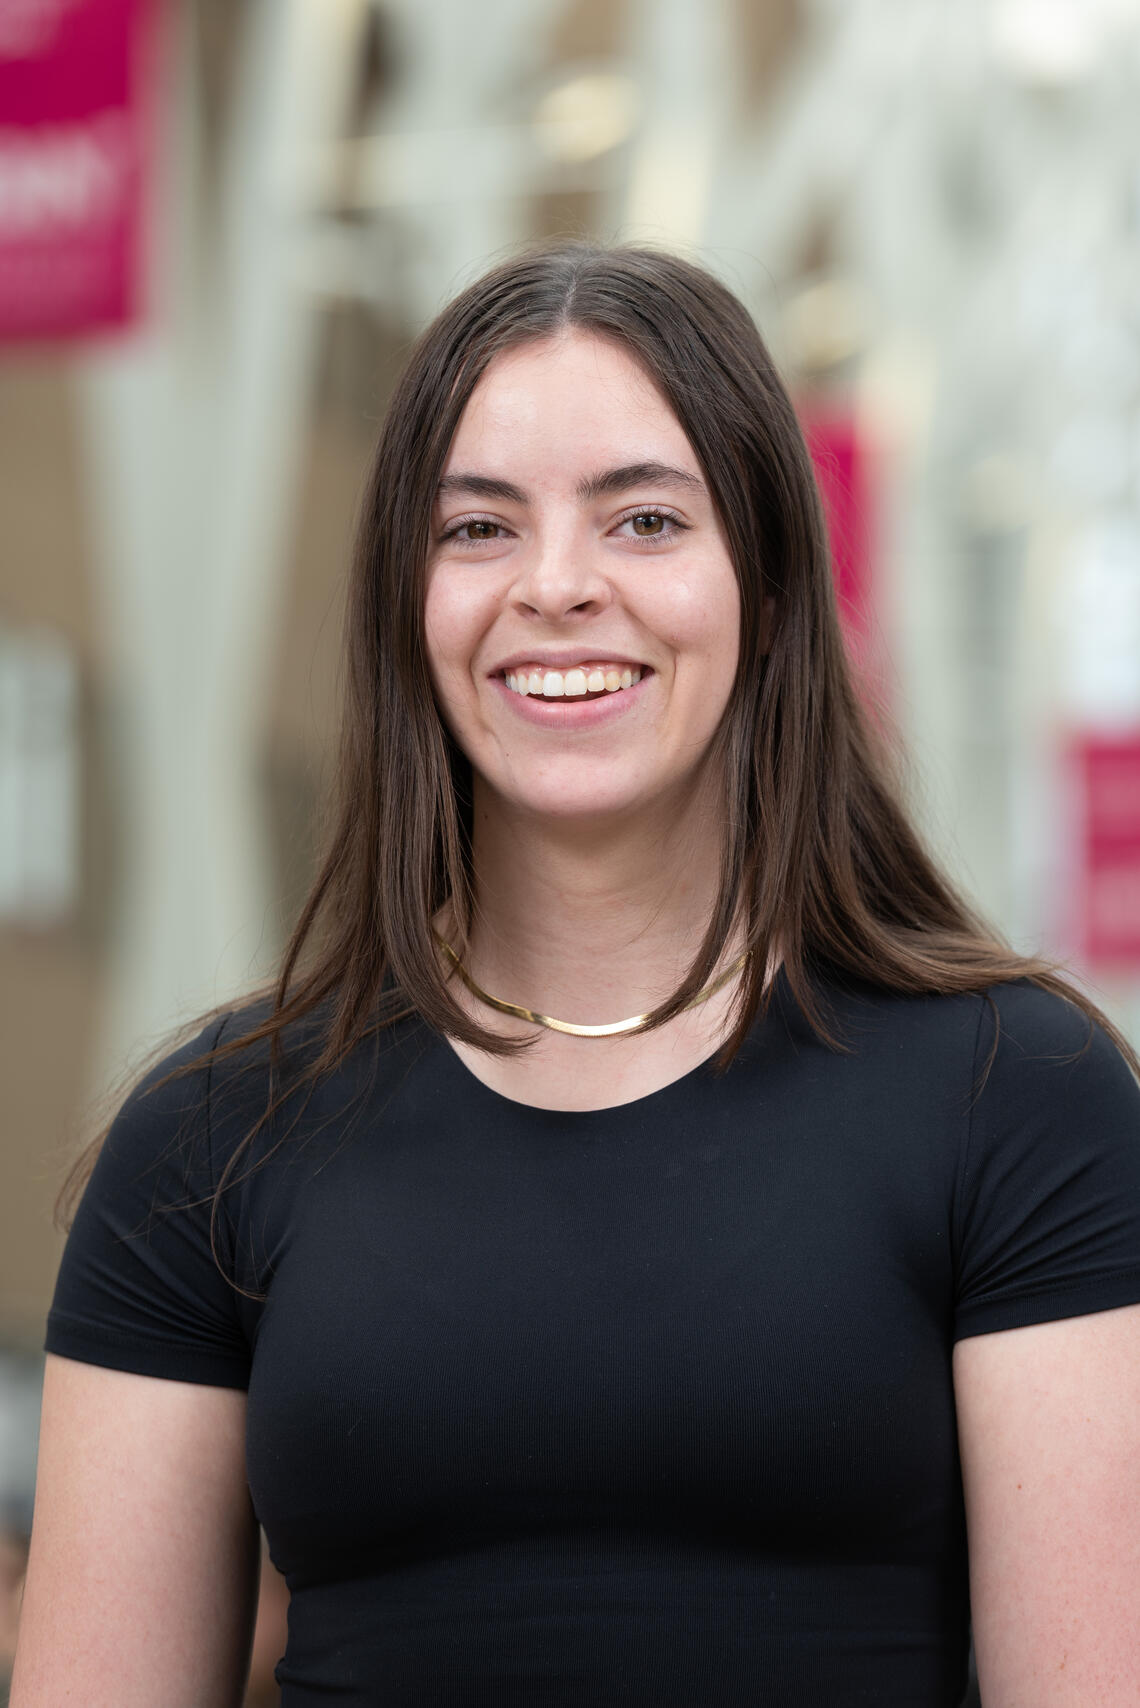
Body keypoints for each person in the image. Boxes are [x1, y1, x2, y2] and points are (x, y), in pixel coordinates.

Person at [11, 242, 1140, 1707]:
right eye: (476, 528)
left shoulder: (1015, 1098)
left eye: (646, 520)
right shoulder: (213, 1139)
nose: (555, 587)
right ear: (403, 605)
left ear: (774, 589)